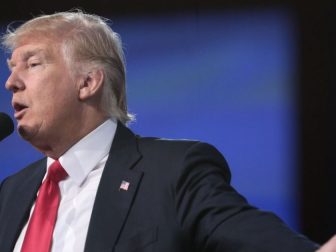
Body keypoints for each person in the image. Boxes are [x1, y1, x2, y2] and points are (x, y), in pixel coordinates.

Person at [0, 10, 334, 252]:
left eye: (32, 64)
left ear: (87, 82)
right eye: (12, 69)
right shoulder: (11, 193)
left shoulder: (173, 172)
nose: (11, 83)